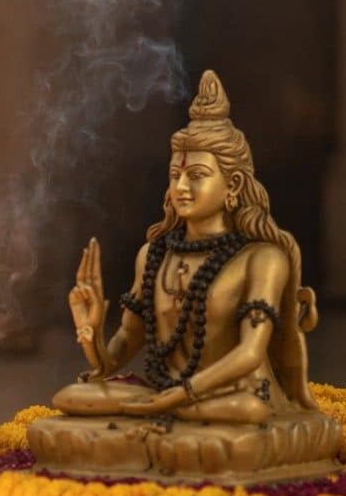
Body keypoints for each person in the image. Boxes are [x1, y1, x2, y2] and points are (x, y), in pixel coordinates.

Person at [50, 70, 321, 426]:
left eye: (196, 176)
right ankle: (164, 412)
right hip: (167, 392)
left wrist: (181, 394)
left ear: (233, 184)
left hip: (233, 396)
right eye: (174, 175)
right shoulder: (153, 255)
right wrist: (91, 333)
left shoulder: (262, 258)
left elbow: (250, 353)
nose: (180, 187)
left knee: (249, 413)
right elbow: (118, 352)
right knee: (69, 397)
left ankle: (165, 412)